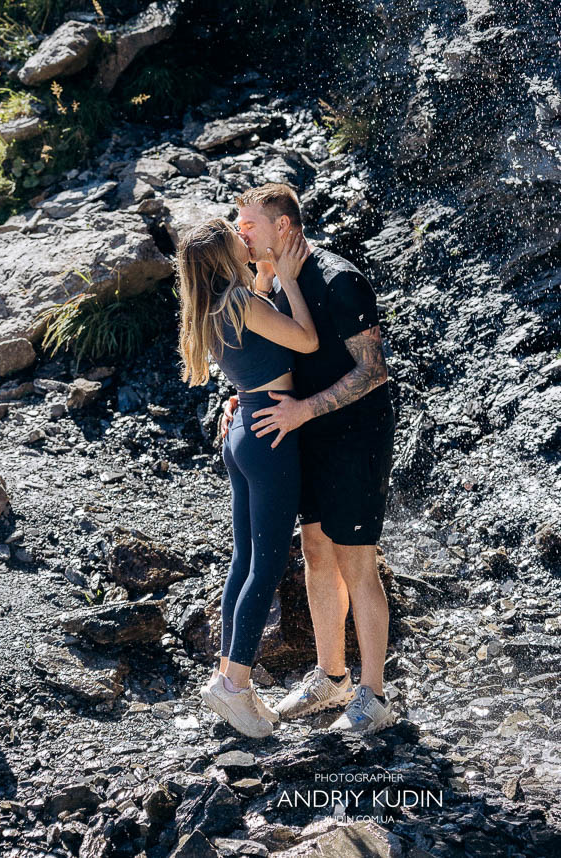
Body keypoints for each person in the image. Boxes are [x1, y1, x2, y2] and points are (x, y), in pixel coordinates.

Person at [221, 182, 396, 736]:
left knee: (356, 562)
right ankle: (331, 676)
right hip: (307, 438)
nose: (241, 233)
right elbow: (271, 354)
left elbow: (374, 371)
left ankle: (373, 696)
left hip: (355, 438)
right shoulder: (273, 282)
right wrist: (244, 400)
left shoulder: (340, 278)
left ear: (284, 226)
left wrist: (302, 410)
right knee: (317, 553)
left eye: (249, 224)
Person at [176, 216, 318, 739]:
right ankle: (236, 684)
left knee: (244, 560)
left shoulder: (214, 306)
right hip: (268, 434)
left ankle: (226, 677)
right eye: (234, 233)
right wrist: (290, 278)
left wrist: (264, 277)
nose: (244, 234)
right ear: (223, 254)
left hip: (244, 431)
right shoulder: (241, 303)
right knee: (268, 565)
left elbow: (253, 339)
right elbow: (305, 340)